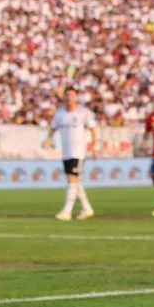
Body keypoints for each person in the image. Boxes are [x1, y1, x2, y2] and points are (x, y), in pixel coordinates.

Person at [44, 87, 99, 221]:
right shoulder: (60, 113)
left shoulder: (83, 112)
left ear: (76, 97)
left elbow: (93, 129)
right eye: (67, 95)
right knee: (75, 181)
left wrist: (95, 146)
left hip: (79, 151)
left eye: (72, 95)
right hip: (66, 151)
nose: (69, 97)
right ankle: (86, 208)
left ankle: (67, 211)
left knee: (71, 178)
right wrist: (48, 139)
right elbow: (53, 128)